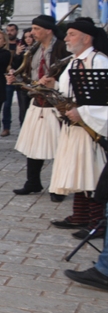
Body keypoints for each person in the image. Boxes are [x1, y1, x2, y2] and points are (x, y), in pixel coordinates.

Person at [46, 18, 108, 234]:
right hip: (73, 126)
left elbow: (104, 98)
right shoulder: (73, 62)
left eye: (71, 34)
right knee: (78, 170)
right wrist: (53, 88)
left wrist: (82, 112)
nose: (66, 38)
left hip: (91, 128)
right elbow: (69, 92)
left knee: (92, 172)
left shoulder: (99, 61)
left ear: (86, 38)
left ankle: (97, 222)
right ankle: (80, 216)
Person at [8, 15, 69, 196]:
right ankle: (33, 182)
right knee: (33, 144)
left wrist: (54, 82)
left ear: (48, 30)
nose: (32, 32)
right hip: (37, 101)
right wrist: (15, 77)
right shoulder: (34, 49)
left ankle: (59, 187)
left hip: (57, 103)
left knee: (60, 147)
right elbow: (28, 74)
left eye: (36, 29)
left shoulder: (62, 48)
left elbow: (68, 76)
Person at [1, 23, 20, 136]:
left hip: (20, 76)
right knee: (7, 103)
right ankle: (6, 127)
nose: (9, 32)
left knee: (23, 105)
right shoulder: (4, 46)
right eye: (8, 30)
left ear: (16, 31)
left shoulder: (21, 44)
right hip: (8, 77)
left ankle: (24, 127)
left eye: (12, 30)